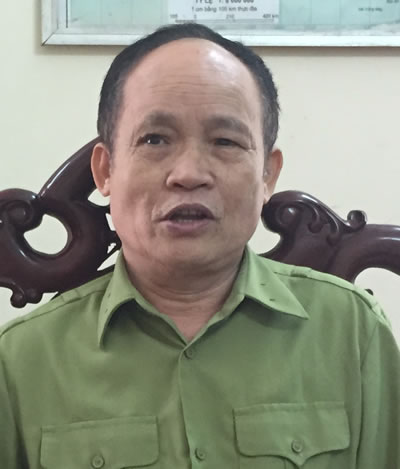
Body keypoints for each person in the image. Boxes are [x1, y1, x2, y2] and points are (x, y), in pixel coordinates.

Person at [0, 23, 399, 469]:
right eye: (155, 140)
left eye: (225, 141)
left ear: (267, 176)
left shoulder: (352, 332)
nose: (188, 174)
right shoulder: (21, 362)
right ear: (106, 170)